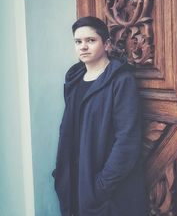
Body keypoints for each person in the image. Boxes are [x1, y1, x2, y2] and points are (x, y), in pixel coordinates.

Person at [52, 16, 147, 216]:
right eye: (78, 42)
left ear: (106, 44)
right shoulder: (75, 81)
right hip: (76, 181)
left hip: (104, 188)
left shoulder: (121, 81)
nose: (83, 47)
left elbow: (127, 141)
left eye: (90, 40)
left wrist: (101, 186)